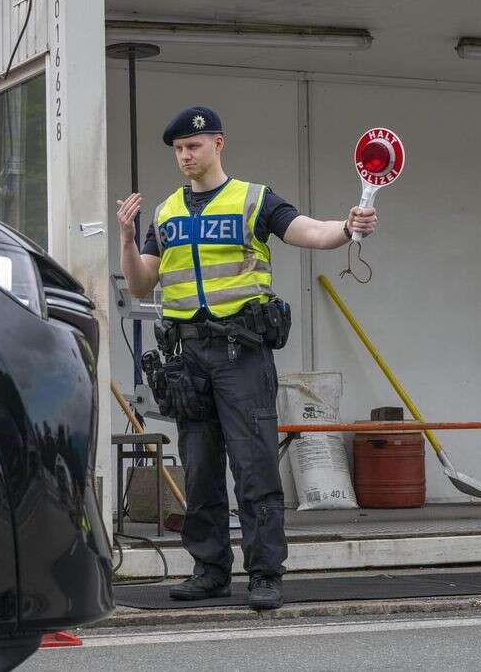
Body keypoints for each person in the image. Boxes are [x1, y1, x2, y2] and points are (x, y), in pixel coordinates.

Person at [117, 106, 378, 610]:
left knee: (254, 466)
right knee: (199, 468)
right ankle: (210, 571)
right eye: (177, 149)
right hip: (188, 359)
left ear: (218, 144)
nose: (184, 156)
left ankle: (263, 574)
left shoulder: (253, 199)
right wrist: (128, 241)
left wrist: (347, 226)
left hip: (241, 353)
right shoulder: (168, 212)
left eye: (192, 146)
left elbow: (307, 231)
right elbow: (140, 282)